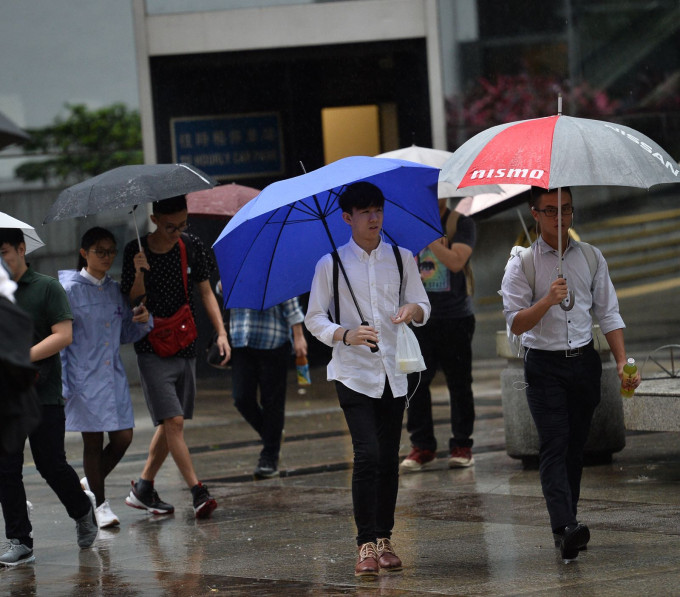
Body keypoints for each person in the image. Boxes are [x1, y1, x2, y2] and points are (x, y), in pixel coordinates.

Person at [500, 186, 640, 562]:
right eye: (550, 211)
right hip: (543, 364)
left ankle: (569, 525)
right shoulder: (522, 263)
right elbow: (515, 323)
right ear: (534, 213)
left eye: (566, 210)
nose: (559, 219)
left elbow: (609, 313)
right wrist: (546, 299)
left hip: (583, 362)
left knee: (575, 447)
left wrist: (625, 362)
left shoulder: (591, 257)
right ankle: (563, 525)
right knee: (555, 443)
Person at [305, 182, 430, 577]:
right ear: (347, 218)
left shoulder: (402, 256)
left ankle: (385, 538)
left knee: (389, 458)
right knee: (368, 454)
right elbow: (314, 318)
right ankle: (364, 544)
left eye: (378, 210)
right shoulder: (331, 264)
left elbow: (424, 304)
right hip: (353, 373)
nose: (374, 218)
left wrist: (413, 308)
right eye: (365, 212)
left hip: (394, 371)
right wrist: (345, 334)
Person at [120, 195, 230, 519]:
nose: (177, 231)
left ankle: (143, 487)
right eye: (171, 226)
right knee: (175, 421)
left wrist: (221, 333)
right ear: (154, 219)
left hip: (184, 342)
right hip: (151, 346)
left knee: (173, 423)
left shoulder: (191, 245)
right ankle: (197, 492)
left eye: (183, 224)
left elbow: (206, 291)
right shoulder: (133, 251)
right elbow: (132, 300)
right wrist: (139, 273)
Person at [0, 228, 98, 567]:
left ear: (21, 249)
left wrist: (21, 356)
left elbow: (64, 335)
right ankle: (20, 540)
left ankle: (83, 509)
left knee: (50, 464)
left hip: (42, 393)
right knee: (6, 468)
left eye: (4, 253)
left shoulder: (46, 288)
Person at [59, 227, 153, 529]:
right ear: (84, 253)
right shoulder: (69, 290)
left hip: (112, 378)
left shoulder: (114, 290)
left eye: (111, 251)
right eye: (100, 251)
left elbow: (125, 332)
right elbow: (60, 339)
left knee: (123, 437)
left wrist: (142, 318)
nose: (107, 257)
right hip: (82, 378)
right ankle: (99, 506)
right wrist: (64, 383)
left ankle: (89, 482)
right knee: (92, 441)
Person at [400, 198, 477, 472]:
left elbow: (456, 261)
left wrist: (430, 239)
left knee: (459, 383)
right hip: (420, 318)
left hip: (456, 317)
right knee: (416, 382)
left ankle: (461, 444)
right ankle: (422, 445)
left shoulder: (460, 222)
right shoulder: (408, 225)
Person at [226, 296, 307, 479]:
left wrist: (299, 335)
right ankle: (273, 434)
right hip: (241, 337)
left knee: (272, 402)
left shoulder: (275, 266)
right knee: (241, 398)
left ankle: (269, 457)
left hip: (273, 337)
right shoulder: (236, 267)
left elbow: (289, 297)